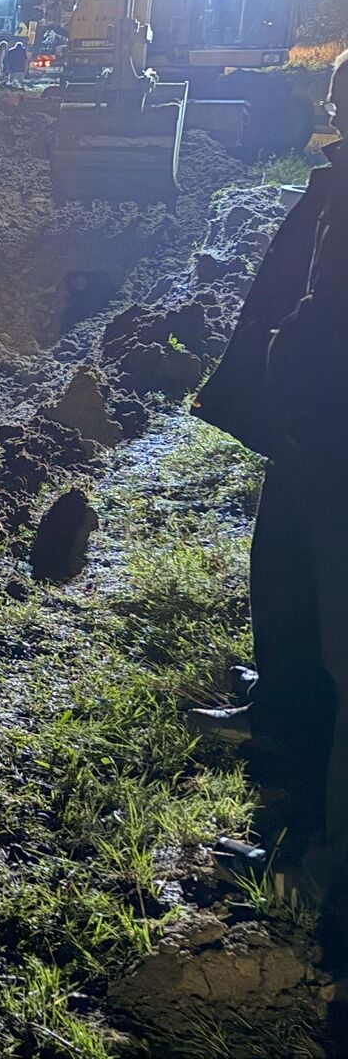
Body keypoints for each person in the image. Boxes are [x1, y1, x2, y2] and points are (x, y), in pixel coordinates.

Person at [194, 51, 346, 949]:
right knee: (283, 572)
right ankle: (284, 712)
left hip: (333, 438)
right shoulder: (337, 181)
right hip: (311, 440)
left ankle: (325, 869)